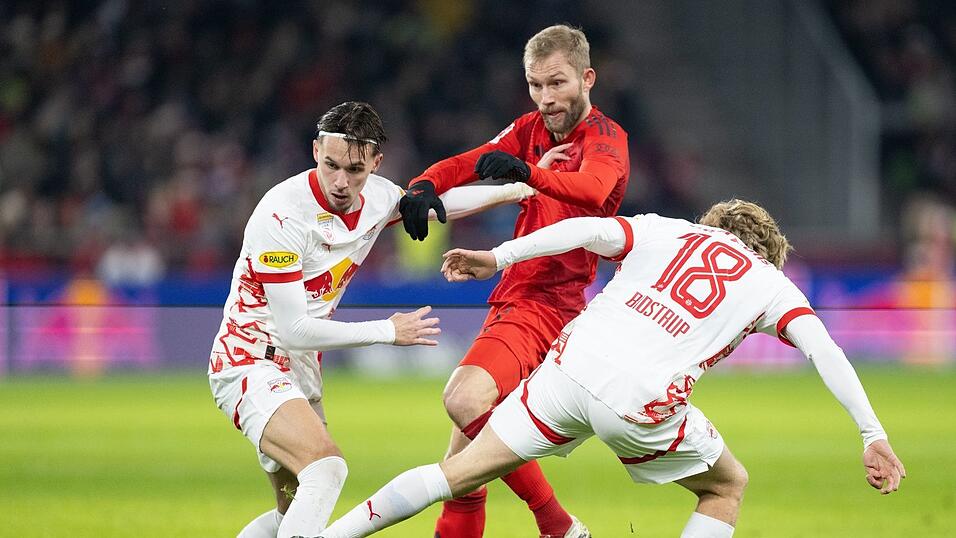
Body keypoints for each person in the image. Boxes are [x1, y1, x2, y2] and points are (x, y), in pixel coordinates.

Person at [319, 200, 907, 538]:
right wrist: (872, 434)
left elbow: (586, 230)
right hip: (640, 397)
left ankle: (329, 536)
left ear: (716, 224)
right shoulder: (770, 283)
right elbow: (824, 350)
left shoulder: (670, 230)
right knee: (727, 486)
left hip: (571, 363)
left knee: (461, 470)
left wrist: (498, 256)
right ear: (767, 251)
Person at [207, 101, 537, 538]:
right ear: (315, 151)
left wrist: (519, 190)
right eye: (331, 166)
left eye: (355, 170)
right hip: (249, 359)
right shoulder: (280, 214)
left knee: (291, 517)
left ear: (375, 163)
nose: (341, 182)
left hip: (300, 369)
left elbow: (440, 205)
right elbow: (294, 330)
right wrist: (387, 331)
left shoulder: (379, 196)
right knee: (326, 470)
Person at [397, 24, 629, 538]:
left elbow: (591, 191)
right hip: (519, 297)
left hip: (547, 303)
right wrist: (421, 187)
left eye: (557, 84)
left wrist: (526, 174)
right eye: (535, 85)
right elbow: (469, 162)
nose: (546, 99)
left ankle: (559, 525)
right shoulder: (530, 129)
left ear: (587, 78)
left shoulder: (607, 139)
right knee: (461, 472)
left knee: (462, 401)